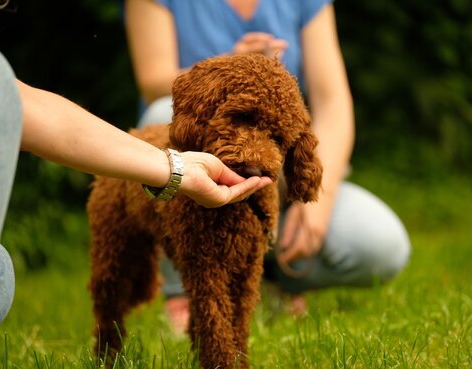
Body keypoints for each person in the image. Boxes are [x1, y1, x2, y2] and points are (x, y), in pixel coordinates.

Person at [0, 3, 272, 368]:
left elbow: (24, 105)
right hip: (147, 188)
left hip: (185, 173)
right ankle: (112, 341)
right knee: (107, 281)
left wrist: (174, 169)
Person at [123, 0, 412, 332]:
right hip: (199, 160)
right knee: (163, 113)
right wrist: (234, 68)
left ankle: (269, 282)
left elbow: (333, 102)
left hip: (274, 174)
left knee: (381, 245)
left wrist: (322, 196)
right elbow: (152, 81)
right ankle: (184, 295)